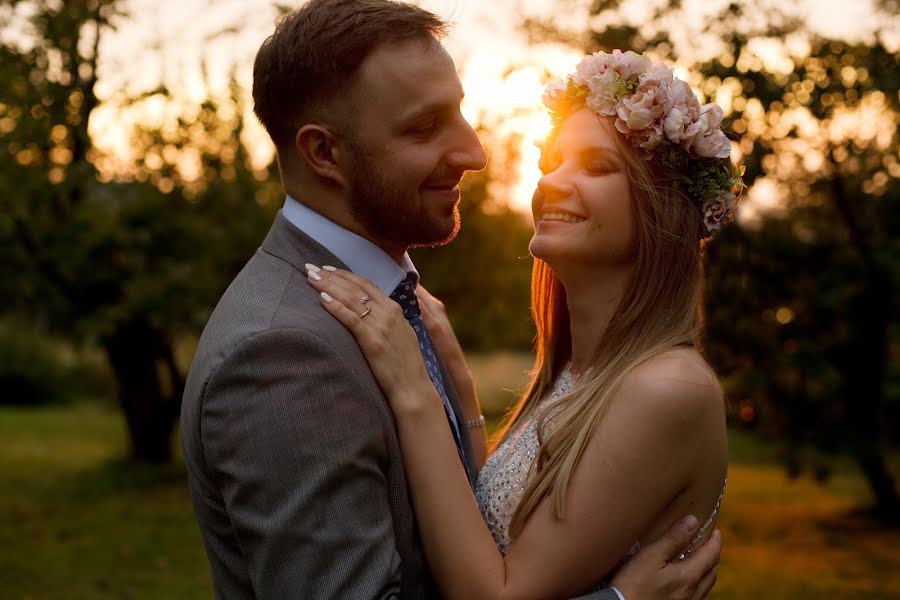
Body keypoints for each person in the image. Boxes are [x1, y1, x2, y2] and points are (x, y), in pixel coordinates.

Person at [180, 0, 722, 597]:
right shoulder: (282, 354)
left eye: (459, 114)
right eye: (423, 127)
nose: (475, 153)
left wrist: (444, 398)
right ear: (324, 153)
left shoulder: (398, 312)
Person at [307, 47, 743, 599]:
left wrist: (412, 386)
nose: (553, 182)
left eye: (597, 166)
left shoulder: (666, 389)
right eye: (550, 163)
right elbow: (504, 526)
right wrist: (460, 387)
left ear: (662, 208)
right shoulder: (582, 372)